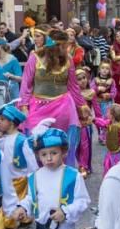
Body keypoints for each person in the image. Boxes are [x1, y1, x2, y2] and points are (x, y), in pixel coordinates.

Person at [19, 29, 90, 167]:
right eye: (61, 46)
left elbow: (73, 86)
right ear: (50, 44)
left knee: (63, 145)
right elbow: (26, 84)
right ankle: (39, 177)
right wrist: (24, 106)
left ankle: (62, 177)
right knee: (37, 142)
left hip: (63, 106)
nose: (64, 49)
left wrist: (82, 105)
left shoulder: (68, 59)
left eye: (65, 46)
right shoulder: (35, 57)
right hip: (38, 106)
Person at [0, 102, 37, 229]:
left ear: (11, 122)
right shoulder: (4, 138)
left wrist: (33, 175)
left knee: (18, 200)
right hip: (6, 175)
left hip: (19, 177)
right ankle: (21, 219)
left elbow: (31, 160)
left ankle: (12, 223)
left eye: (2, 120)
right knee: (8, 198)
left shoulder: (22, 140)